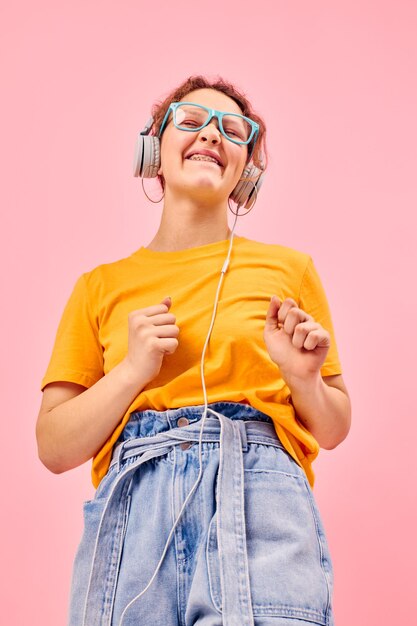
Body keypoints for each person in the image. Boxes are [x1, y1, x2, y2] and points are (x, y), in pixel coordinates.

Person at [36, 75, 351, 626]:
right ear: (153, 148)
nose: (210, 134)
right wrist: (132, 371)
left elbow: (333, 427)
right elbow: (54, 447)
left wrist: (304, 378)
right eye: (190, 120)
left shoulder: (289, 270)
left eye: (232, 130)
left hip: (257, 498)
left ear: (246, 169)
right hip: (135, 513)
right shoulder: (99, 286)